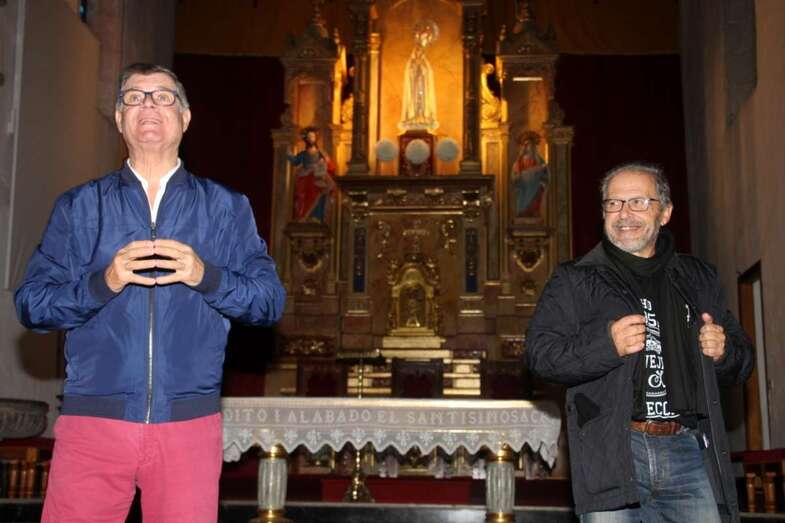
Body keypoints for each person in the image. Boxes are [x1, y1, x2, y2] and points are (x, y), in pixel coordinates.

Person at [15, 63, 286, 522]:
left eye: (163, 96)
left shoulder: (224, 207)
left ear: (185, 117)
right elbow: (31, 304)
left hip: (188, 423)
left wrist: (207, 275)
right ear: (120, 119)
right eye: (134, 97)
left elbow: (268, 302)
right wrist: (103, 282)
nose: (148, 105)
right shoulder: (80, 206)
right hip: (93, 421)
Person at [525, 163, 753, 522]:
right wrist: (606, 346)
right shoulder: (575, 278)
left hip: (688, 451)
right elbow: (540, 355)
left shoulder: (698, 277)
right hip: (613, 450)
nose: (624, 214)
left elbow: (744, 361)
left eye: (638, 202)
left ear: (665, 212)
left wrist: (723, 352)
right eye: (613, 203)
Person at [287, 126, 336, 222]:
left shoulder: (320, 152)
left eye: (313, 137)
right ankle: (304, 218)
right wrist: (289, 154)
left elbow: (330, 165)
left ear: (316, 138)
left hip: (317, 177)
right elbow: (295, 161)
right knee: (304, 198)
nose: (311, 139)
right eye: (309, 137)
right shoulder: (304, 153)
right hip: (306, 178)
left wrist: (324, 162)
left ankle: (317, 217)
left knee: (319, 195)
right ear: (306, 139)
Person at [511, 131, 548, 218]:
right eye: (528, 145)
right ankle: (523, 212)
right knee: (523, 205)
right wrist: (521, 175)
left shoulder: (539, 160)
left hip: (536, 187)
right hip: (524, 188)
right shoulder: (520, 161)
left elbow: (545, 174)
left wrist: (541, 179)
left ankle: (534, 212)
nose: (530, 147)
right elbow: (515, 175)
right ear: (525, 147)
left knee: (535, 201)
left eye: (532, 145)